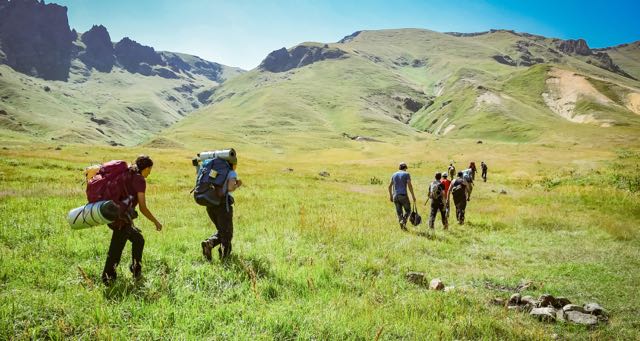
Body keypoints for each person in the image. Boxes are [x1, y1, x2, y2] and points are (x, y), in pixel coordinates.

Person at [102, 155, 163, 285]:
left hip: (113, 212)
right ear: (146, 168)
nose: (150, 172)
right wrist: (155, 221)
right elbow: (142, 207)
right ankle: (107, 278)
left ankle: (136, 270)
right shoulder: (140, 180)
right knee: (116, 249)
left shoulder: (128, 173)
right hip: (120, 218)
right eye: (149, 169)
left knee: (138, 240)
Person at [201, 159, 242, 261]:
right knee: (227, 233)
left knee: (222, 231)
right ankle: (225, 259)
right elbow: (231, 187)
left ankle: (209, 244)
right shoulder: (230, 172)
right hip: (223, 205)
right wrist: (238, 184)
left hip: (210, 203)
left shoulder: (212, 170)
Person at [388, 162, 416, 231]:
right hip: (403, 195)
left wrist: (391, 196)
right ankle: (403, 221)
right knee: (408, 210)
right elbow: (409, 185)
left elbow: (389, 186)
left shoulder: (394, 174)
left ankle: (403, 228)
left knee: (399, 213)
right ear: (405, 168)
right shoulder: (406, 174)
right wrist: (413, 196)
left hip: (395, 196)